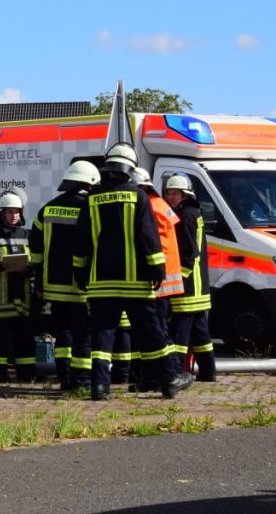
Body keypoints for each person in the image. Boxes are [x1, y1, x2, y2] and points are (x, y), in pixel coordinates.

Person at [72, 144, 192, 401]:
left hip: (101, 282)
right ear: (128, 169)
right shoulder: (138, 196)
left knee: (103, 336)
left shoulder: (91, 199)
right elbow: (149, 237)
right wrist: (157, 268)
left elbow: (81, 242)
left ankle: (100, 387)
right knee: (151, 332)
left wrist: (80, 273)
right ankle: (169, 379)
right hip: (136, 283)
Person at [29, 160, 99, 390]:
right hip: (80, 288)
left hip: (53, 288)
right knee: (82, 337)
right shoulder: (90, 208)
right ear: (89, 183)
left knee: (62, 336)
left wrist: (39, 278)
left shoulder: (47, 209)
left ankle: (64, 379)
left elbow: (36, 249)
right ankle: (82, 381)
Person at [131, 168, 184, 391]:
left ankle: (167, 376)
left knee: (157, 333)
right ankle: (155, 378)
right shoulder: (160, 204)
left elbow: (152, 243)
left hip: (158, 281)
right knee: (157, 331)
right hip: (166, 279)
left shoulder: (149, 207)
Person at [0, 191, 35, 382]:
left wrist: (30, 269)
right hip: (0, 302)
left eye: (17, 212)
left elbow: (37, 260)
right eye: (10, 212)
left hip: (23, 301)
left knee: (25, 340)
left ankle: (27, 374)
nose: (14, 216)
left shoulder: (28, 236)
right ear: (2, 213)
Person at [164, 173, 216, 382]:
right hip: (199, 286)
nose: (170, 197)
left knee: (179, 333)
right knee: (200, 332)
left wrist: (178, 280)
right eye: (169, 193)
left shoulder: (185, 217)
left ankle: (176, 373)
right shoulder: (194, 212)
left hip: (188, 286)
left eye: (175, 194)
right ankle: (208, 371)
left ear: (184, 195)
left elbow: (189, 253)